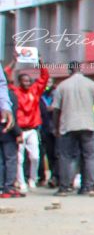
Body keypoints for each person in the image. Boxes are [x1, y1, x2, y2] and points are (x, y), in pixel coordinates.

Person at [51, 61, 94, 197]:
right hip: (88, 125)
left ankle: (65, 187)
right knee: (89, 156)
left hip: (67, 126)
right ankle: (89, 187)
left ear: (69, 70)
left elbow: (56, 109)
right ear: (80, 69)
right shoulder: (91, 84)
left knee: (66, 157)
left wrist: (56, 127)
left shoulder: (62, 86)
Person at [5, 59, 48, 193]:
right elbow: (6, 74)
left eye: (29, 81)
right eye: (24, 81)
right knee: (19, 158)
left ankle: (32, 178)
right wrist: (14, 61)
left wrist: (40, 62)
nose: (27, 83)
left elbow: (44, 77)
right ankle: (21, 181)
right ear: (20, 82)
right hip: (20, 129)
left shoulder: (35, 91)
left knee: (35, 156)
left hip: (33, 129)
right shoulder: (16, 92)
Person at [0, 80, 20, 199]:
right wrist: (18, 133)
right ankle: (9, 187)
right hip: (8, 131)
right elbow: (12, 116)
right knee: (10, 160)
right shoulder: (8, 95)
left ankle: (1, 186)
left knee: (1, 161)